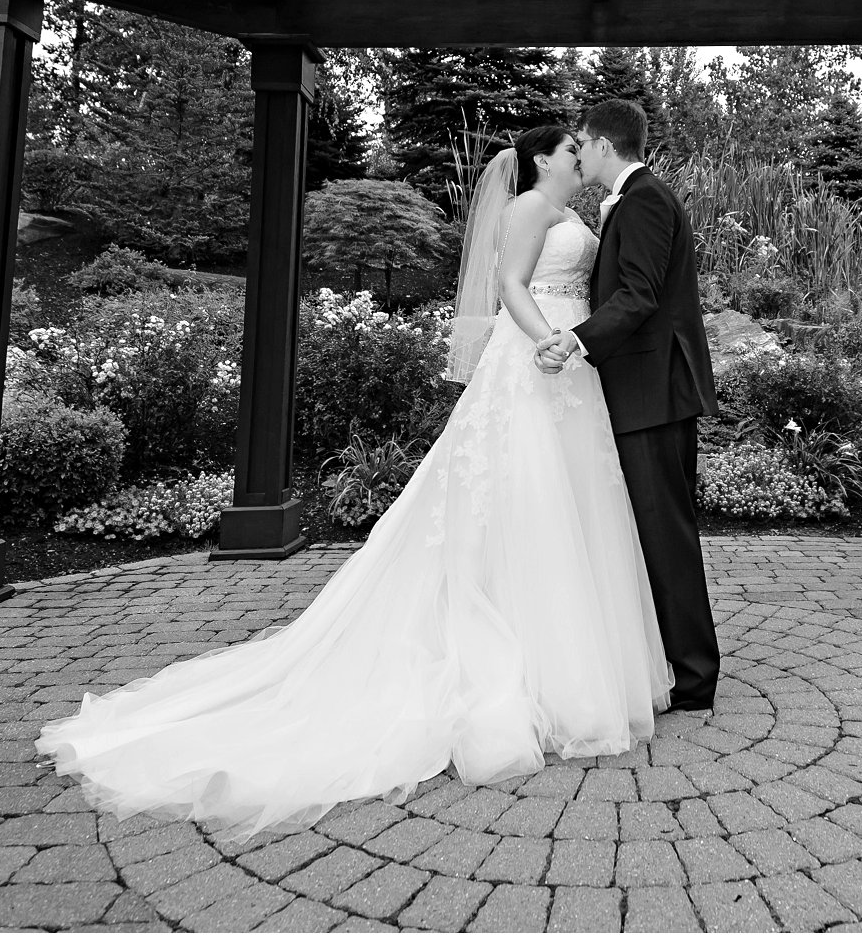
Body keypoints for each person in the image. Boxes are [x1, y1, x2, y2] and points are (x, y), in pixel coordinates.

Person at [35, 124, 673, 842]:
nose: (577, 156)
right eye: (566, 150)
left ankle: (568, 660)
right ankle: (533, 666)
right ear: (538, 161)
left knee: (567, 504)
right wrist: (546, 342)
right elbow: (509, 287)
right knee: (521, 496)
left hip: (571, 365)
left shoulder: (575, 216)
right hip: (535, 360)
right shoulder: (529, 208)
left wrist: (574, 343)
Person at [535, 100, 722, 711]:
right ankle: (675, 663)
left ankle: (695, 679)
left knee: (666, 532)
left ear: (604, 144)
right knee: (656, 529)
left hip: (653, 391)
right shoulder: (634, 198)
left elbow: (639, 295)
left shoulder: (642, 199)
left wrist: (577, 338)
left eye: (582, 144)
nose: (578, 154)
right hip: (646, 388)